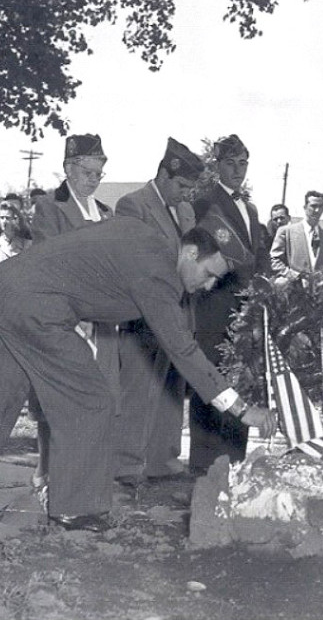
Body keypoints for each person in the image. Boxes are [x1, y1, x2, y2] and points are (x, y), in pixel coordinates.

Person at [0, 216, 278, 530]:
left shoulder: (147, 233)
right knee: (90, 400)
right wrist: (242, 410)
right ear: (189, 252)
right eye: (208, 275)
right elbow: (183, 350)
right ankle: (75, 509)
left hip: (1, 290)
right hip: (38, 307)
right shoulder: (159, 273)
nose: (206, 287)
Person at [30, 133, 118, 492]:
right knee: (60, 402)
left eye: (99, 173)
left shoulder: (107, 213)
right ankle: (49, 474)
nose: (94, 180)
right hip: (66, 319)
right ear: (68, 168)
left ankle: (87, 477)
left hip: (103, 322)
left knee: (101, 398)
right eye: (87, 172)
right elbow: (50, 262)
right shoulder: (50, 208)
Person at [113, 137, 201, 484]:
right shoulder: (132, 205)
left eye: (189, 188)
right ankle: (127, 465)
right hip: (144, 313)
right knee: (139, 387)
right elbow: (134, 260)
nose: (184, 193)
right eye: (180, 185)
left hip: (180, 312)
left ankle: (163, 461)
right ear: (164, 173)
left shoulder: (186, 210)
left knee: (171, 388)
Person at [188, 134, 267, 474]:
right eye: (231, 164)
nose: (238, 170)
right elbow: (196, 256)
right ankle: (204, 466)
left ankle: (234, 461)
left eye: (243, 163)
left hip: (244, 312)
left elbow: (258, 256)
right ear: (217, 166)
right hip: (213, 307)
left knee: (240, 383)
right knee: (210, 383)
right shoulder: (203, 203)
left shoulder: (250, 208)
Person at [269, 190, 323, 276]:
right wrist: (293, 276)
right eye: (313, 206)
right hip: (294, 287)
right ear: (305, 207)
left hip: (320, 288)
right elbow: (275, 260)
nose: (317, 210)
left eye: (320, 207)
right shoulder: (287, 232)